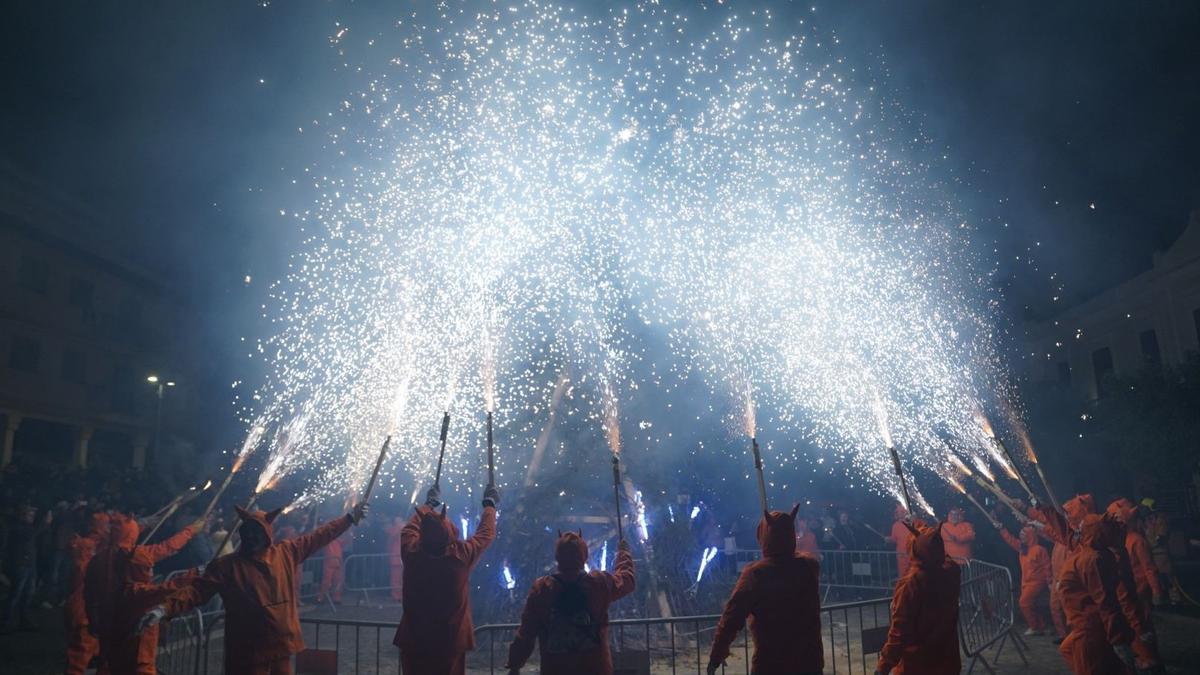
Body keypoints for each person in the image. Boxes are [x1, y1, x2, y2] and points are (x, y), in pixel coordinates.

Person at [138, 502, 369, 675]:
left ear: (266, 534)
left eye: (256, 532)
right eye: (247, 532)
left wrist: (349, 518)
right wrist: (164, 609)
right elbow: (195, 592)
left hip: (281, 645)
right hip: (248, 651)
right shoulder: (226, 566)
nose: (250, 536)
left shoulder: (286, 553)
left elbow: (320, 536)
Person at [393, 485, 498, 675]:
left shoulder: (411, 553)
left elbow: (409, 529)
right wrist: (489, 506)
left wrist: (428, 505)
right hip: (449, 641)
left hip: (415, 639)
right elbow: (485, 534)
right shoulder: (460, 556)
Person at [707, 505, 823, 675]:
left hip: (771, 664)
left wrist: (717, 652)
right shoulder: (809, 567)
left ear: (764, 537)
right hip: (809, 662)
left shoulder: (756, 574)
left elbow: (732, 616)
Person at [504, 532, 635, 674]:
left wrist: (515, 664)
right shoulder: (599, 583)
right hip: (595, 669)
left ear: (558, 557)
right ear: (584, 555)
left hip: (556, 669)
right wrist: (624, 553)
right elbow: (626, 580)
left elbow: (526, 632)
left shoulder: (542, 588)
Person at [92, 512, 205, 675]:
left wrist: (93, 618)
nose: (150, 571)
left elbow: (90, 593)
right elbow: (169, 549)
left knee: (110, 663)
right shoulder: (138, 560)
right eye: (148, 568)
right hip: (135, 636)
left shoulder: (100, 557)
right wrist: (191, 532)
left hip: (107, 619)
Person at [875, 521, 961, 675]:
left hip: (918, 665)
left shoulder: (911, 583)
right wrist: (926, 531)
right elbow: (938, 552)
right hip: (948, 663)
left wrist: (883, 667)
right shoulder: (952, 571)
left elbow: (899, 632)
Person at [1057, 513, 1137, 675]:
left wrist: (1118, 640)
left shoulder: (1092, 559)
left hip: (1089, 629)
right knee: (1067, 649)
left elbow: (1106, 602)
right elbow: (1062, 530)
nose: (1077, 530)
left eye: (1081, 528)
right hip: (1087, 625)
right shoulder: (1091, 553)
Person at [64, 512, 109, 675]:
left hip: (88, 610)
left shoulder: (94, 547)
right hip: (84, 612)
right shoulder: (86, 556)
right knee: (79, 656)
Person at [1, 505, 51, 632]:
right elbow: (33, 533)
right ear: (22, 515)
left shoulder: (26, 527)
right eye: (29, 515)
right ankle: (4, 622)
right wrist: (45, 523)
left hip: (29, 564)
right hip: (20, 565)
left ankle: (24, 620)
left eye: (32, 515)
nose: (32, 517)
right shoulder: (16, 527)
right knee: (15, 594)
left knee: (28, 594)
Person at [998, 523, 1051, 636]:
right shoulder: (1023, 548)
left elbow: (1047, 567)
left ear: (1030, 536)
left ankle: (1034, 627)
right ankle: (1040, 626)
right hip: (1026, 582)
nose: (1021, 537)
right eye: (1021, 534)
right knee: (1032, 604)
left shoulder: (1039, 549)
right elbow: (1010, 540)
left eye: (1023, 535)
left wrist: (1050, 581)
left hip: (1037, 582)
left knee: (1024, 603)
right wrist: (1002, 529)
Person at [317, 528, 348, 605]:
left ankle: (336, 598)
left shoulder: (337, 540)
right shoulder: (326, 540)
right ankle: (321, 598)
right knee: (326, 582)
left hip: (337, 563)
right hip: (329, 563)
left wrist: (349, 533)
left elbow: (345, 542)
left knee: (337, 582)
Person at [884, 503, 913, 577]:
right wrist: (890, 539)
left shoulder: (898, 525)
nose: (895, 513)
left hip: (907, 554)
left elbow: (894, 540)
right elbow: (895, 539)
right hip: (904, 555)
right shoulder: (911, 523)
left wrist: (888, 539)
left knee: (907, 575)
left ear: (904, 512)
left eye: (897, 512)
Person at [385, 515, 406, 602]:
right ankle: (401, 596)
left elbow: (389, 542)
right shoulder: (407, 529)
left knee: (395, 578)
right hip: (404, 557)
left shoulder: (395, 530)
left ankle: (396, 596)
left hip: (396, 557)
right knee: (402, 578)